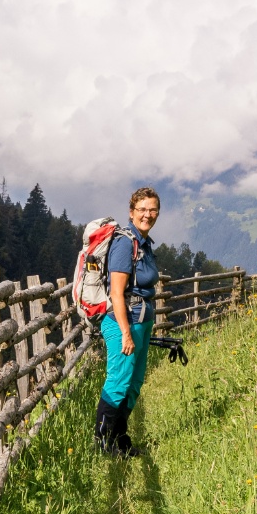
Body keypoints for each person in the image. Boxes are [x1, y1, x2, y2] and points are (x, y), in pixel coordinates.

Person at [94, 187, 161, 457]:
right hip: (125, 322)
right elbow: (116, 293)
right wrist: (125, 333)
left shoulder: (143, 243)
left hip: (140, 322)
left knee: (133, 383)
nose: (148, 215)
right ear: (131, 212)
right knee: (118, 382)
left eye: (153, 209)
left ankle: (120, 441)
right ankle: (102, 445)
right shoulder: (125, 243)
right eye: (142, 209)